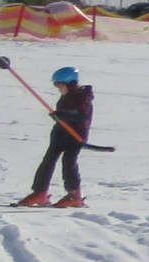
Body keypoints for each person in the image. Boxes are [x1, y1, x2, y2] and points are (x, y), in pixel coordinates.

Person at [16, 66, 93, 208]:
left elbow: (80, 116)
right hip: (60, 135)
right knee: (47, 163)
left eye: (59, 85)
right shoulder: (67, 95)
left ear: (69, 83)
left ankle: (75, 195)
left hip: (74, 137)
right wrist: (59, 117)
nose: (58, 88)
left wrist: (62, 115)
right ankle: (40, 193)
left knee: (69, 164)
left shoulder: (83, 97)